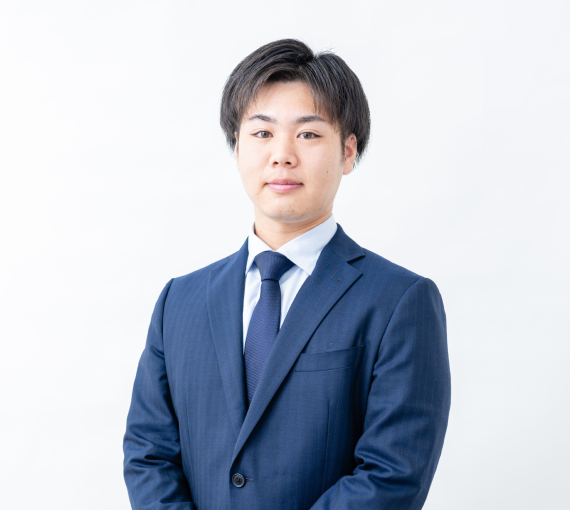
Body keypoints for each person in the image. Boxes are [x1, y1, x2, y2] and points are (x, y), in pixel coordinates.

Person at [123, 38, 451, 510]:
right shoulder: (180, 301)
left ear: (348, 152)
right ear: (236, 146)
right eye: (262, 133)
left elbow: (392, 474)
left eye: (308, 134)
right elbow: (148, 453)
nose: (282, 155)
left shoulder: (400, 301)